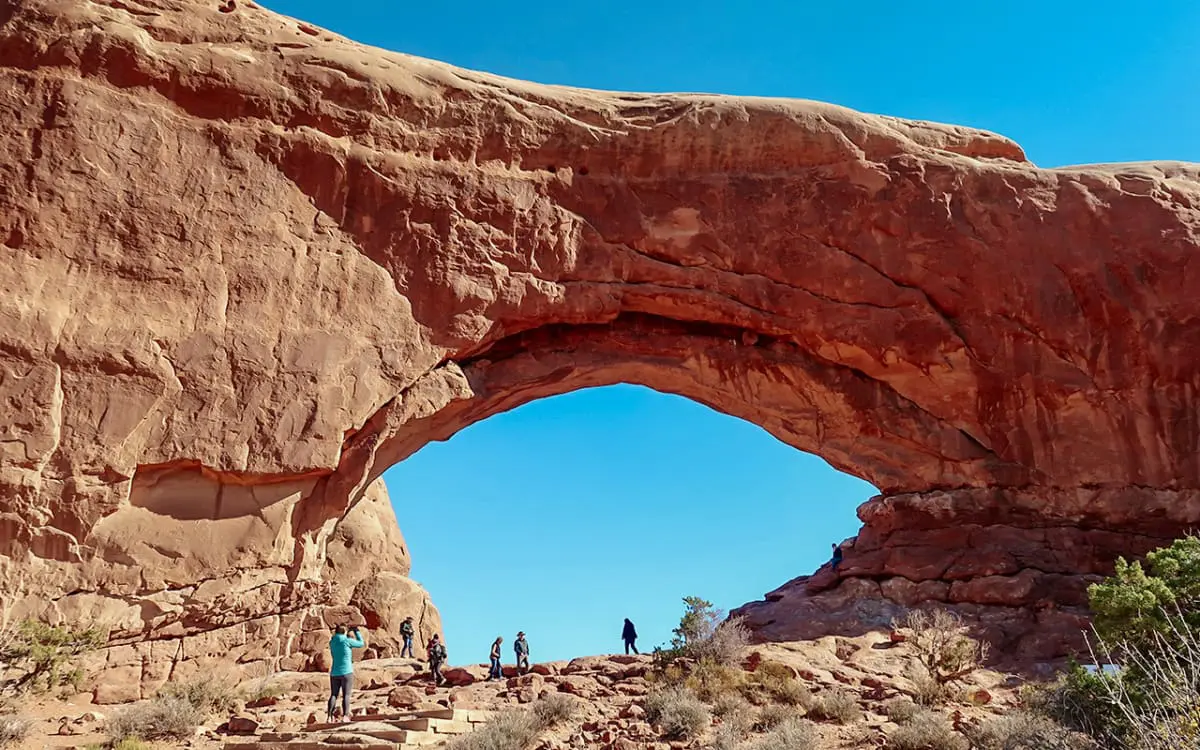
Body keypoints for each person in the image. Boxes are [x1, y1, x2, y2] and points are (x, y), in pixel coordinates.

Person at [327, 624, 366, 723]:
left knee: (334, 695)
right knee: (346, 695)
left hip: (334, 672)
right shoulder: (347, 641)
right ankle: (345, 716)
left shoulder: (332, 642)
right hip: (347, 671)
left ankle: (329, 716)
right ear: (345, 632)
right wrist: (356, 631)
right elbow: (361, 643)